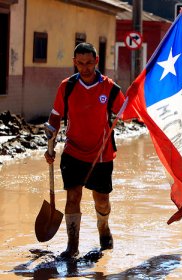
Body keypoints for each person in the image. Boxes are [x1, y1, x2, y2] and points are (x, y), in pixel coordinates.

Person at [44, 42, 126, 258]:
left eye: (89, 63)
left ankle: (103, 227)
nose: (85, 68)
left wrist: (131, 104)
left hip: (101, 154)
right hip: (73, 151)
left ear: (96, 61)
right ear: (74, 62)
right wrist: (49, 145)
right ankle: (72, 246)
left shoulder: (110, 88)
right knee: (72, 197)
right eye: (80, 63)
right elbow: (55, 117)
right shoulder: (67, 86)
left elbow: (125, 112)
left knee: (102, 200)